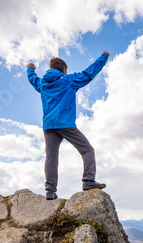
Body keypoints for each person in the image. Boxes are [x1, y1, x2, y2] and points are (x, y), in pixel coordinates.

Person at [27, 51, 110, 200]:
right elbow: (89, 73)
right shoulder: (68, 80)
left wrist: (30, 68)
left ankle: (50, 191)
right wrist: (104, 56)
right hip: (65, 124)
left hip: (49, 126)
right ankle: (88, 181)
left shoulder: (42, 84)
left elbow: (32, 79)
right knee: (87, 150)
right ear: (64, 70)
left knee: (51, 157)